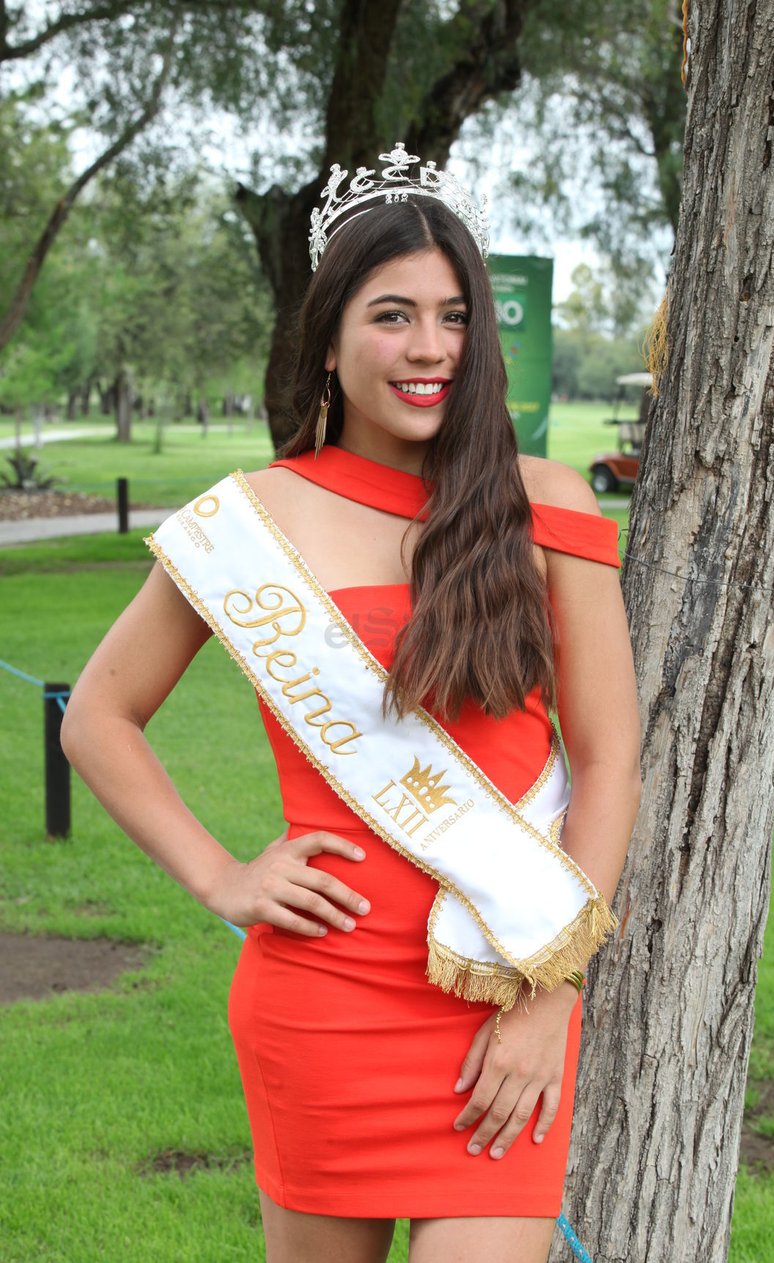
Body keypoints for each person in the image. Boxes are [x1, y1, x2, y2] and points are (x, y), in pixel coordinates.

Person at [62, 144, 640, 1263]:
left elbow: (608, 759)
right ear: (327, 341)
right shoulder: (252, 521)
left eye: (454, 316)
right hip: (320, 1004)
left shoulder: (544, 504)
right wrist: (220, 874)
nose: (427, 348)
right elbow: (97, 716)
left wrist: (548, 1002)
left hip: (503, 998)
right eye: (390, 315)